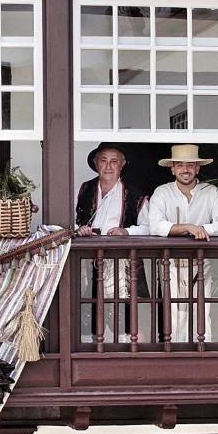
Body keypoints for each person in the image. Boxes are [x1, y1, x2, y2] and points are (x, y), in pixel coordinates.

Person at [149, 144, 218, 343]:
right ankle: (177, 363)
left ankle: (204, 361)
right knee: (175, 316)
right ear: (172, 169)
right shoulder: (162, 192)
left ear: (198, 168)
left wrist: (200, 229)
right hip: (171, 265)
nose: (185, 169)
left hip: (202, 265)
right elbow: (155, 226)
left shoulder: (211, 193)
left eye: (190, 165)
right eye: (180, 165)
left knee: (202, 313)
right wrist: (187, 228)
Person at [75, 143, 150, 343]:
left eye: (114, 161)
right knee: (87, 310)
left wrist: (126, 231)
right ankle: (88, 353)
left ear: (122, 165)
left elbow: (149, 228)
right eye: (103, 160)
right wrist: (80, 230)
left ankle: (128, 356)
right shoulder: (83, 189)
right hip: (87, 262)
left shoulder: (135, 194)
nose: (108, 166)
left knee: (124, 315)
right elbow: (69, 222)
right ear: (95, 163)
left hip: (121, 264)